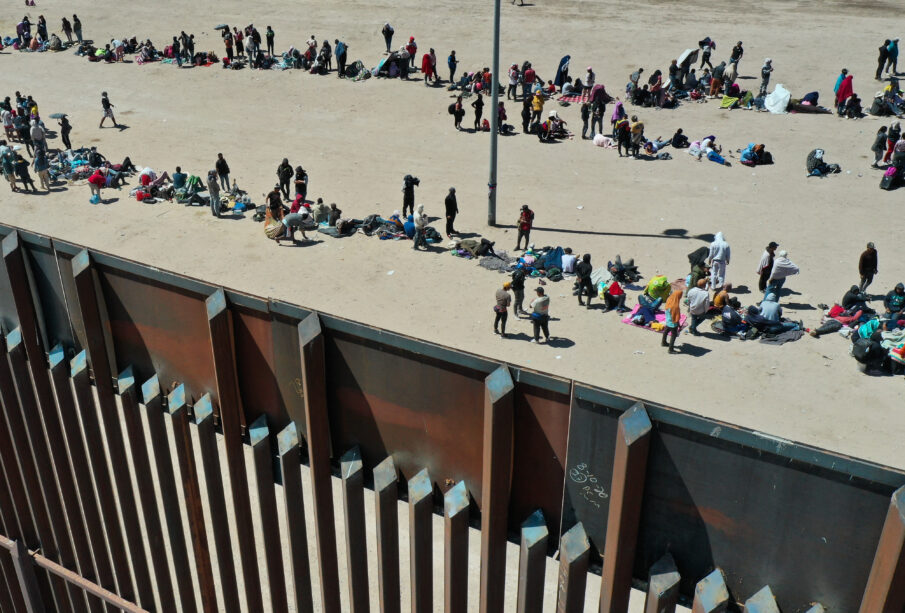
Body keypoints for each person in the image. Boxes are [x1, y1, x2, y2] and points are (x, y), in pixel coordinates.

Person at [661, 289, 683, 354]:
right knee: (674, 335)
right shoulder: (675, 306)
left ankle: (663, 342)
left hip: (668, 320)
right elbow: (676, 317)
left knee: (666, 331)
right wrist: (678, 324)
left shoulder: (669, 299)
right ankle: (670, 349)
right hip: (673, 323)